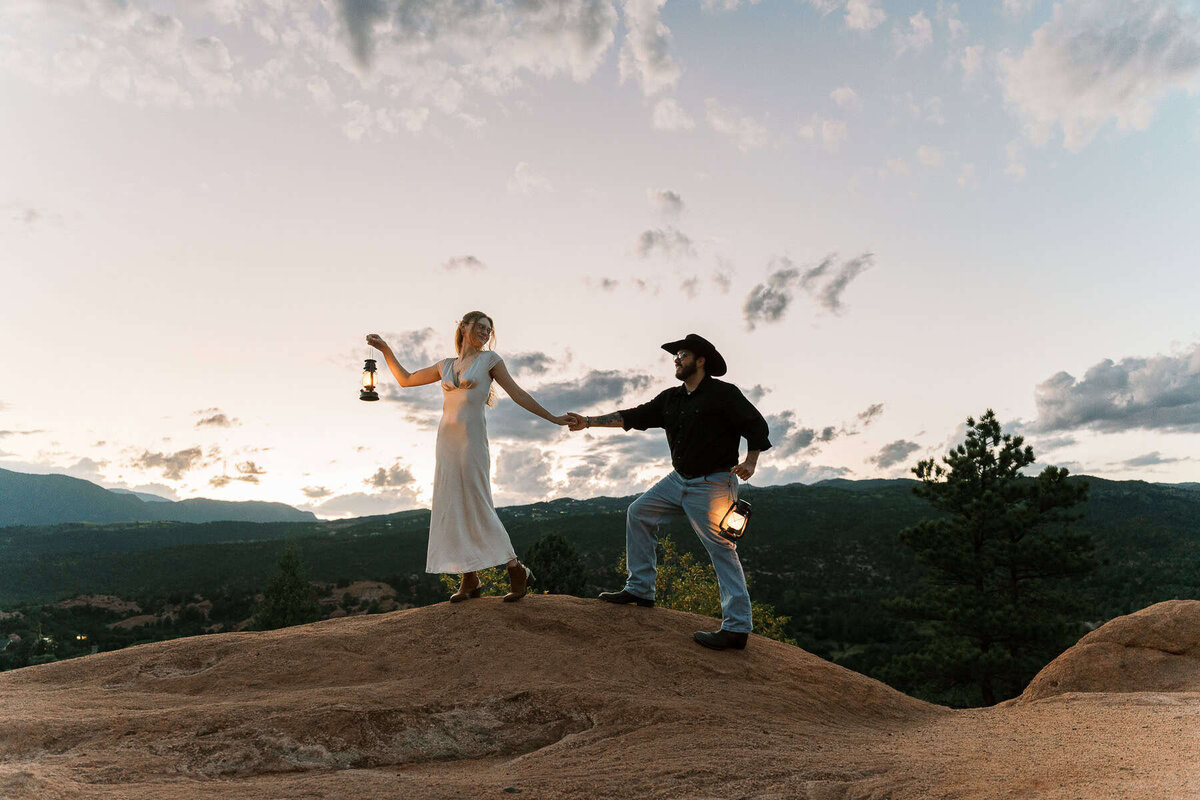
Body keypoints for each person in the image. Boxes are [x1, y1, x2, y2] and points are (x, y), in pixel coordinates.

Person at [566, 334, 771, 651]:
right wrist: (588, 422)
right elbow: (634, 416)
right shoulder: (671, 399)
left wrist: (751, 461)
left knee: (721, 548)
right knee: (638, 512)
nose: (676, 359)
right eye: (676, 355)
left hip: (713, 484)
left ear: (700, 361)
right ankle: (640, 588)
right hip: (678, 480)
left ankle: (737, 627)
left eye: (683, 354)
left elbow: (756, 425)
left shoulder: (723, 394)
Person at [366, 311, 569, 602]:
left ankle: (516, 568)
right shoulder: (445, 365)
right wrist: (386, 349)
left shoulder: (490, 361)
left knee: (478, 502)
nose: (486, 333)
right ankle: (469, 578)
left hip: (472, 443)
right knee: (451, 505)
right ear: (463, 327)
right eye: (481, 327)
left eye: (489, 330)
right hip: (446, 443)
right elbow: (406, 380)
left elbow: (518, 393)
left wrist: (553, 418)